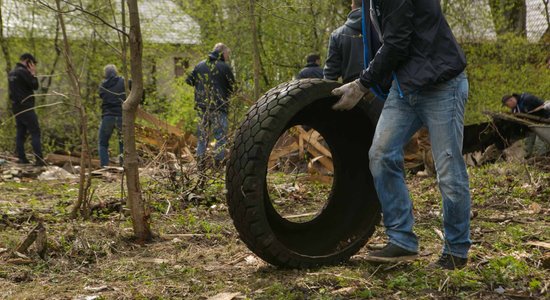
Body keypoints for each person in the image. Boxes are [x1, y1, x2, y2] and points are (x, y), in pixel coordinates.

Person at [331, 0, 470, 270]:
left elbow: (396, 42)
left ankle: (456, 249)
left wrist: (362, 84)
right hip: (405, 87)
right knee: (381, 154)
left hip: (442, 85)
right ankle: (402, 240)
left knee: (448, 171)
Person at [186, 43, 235, 167]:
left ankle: (200, 163)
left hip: (202, 107)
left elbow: (189, 81)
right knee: (220, 136)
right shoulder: (225, 67)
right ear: (223, 53)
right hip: (219, 107)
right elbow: (233, 87)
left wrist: (201, 85)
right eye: (227, 54)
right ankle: (218, 163)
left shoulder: (200, 65)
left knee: (202, 136)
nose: (228, 56)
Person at [8, 53, 44, 165]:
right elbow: (35, 86)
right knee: (35, 132)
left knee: (20, 132)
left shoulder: (12, 72)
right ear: (28, 61)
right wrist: (33, 74)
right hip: (26, 107)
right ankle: (39, 160)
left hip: (16, 107)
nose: (33, 66)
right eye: (32, 63)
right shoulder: (24, 72)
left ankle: (22, 158)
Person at [324, 0, 365, 83]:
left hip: (351, 90)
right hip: (383, 90)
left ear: (352, 6)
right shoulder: (382, 28)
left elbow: (330, 74)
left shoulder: (337, 35)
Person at [98, 64, 126, 168]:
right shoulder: (124, 81)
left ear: (105, 74)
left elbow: (101, 95)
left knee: (103, 143)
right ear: (116, 72)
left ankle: (104, 167)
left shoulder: (102, 85)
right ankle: (124, 166)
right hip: (121, 116)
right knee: (123, 142)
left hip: (108, 116)